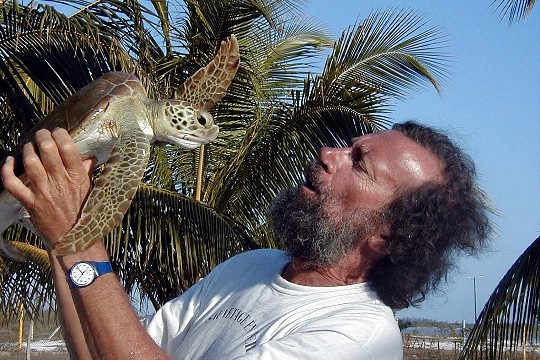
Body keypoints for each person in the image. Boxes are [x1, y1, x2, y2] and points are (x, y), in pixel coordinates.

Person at [0, 121, 491, 359]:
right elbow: (101, 352)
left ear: (388, 235)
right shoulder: (250, 267)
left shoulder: (357, 335)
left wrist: (82, 240)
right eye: (348, 145)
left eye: (358, 162)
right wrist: (63, 241)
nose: (328, 153)